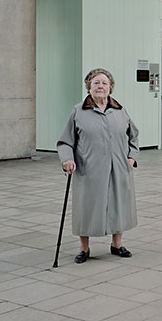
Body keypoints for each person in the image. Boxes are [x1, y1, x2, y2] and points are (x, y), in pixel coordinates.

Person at [57, 68, 139, 264]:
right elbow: (66, 142)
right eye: (96, 83)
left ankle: (117, 245)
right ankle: (84, 249)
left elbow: (133, 136)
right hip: (89, 170)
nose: (100, 86)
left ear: (110, 87)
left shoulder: (120, 110)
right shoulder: (78, 111)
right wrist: (67, 159)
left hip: (119, 168)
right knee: (86, 208)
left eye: (104, 83)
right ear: (89, 87)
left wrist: (132, 157)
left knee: (119, 206)